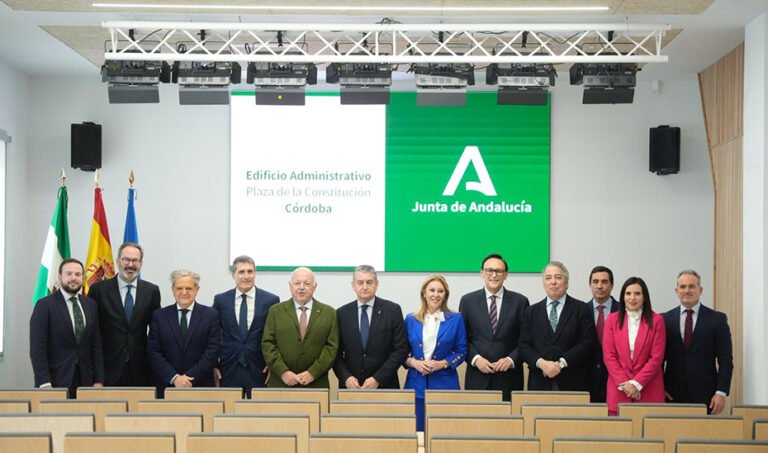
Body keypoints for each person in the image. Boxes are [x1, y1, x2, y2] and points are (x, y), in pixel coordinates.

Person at [30, 258, 105, 397]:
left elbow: (96, 344)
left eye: (77, 274)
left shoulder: (91, 305)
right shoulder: (44, 305)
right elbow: (37, 348)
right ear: (60, 276)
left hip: (86, 380)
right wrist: (44, 382)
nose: (73, 278)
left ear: (82, 277)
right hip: (55, 381)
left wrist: (99, 380)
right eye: (69, 274)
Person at [89, 242, 161, 386]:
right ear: (117, 261)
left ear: (141, 263)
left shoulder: (151, 291)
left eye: (135, 260)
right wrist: (98, 376)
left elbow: (156, 332)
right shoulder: (98, 290)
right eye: (126, 259)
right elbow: (92, 333)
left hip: (141, 368)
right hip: (108, 367)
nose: (130, 264)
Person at [458, 254, 529, 401]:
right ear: (482, 273)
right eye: (489, 270)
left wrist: (511, 359)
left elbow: (526, 339)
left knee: (509, 422)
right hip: (477, 376)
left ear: (506, 275)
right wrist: (476, 359)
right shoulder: (467, 301)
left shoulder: (520, 302)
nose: (494, 275)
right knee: (476, 422)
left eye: (499, 271)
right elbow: (462, 338)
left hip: (509, 377)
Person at [663, 269, 733, 414]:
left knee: (702, 435)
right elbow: (658, 359)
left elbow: (725, 360)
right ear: (676, 290)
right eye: (682, 287)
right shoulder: (664, 320)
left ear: (700, 290)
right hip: (671, 394)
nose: (687, 290)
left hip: (706, 395)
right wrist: (660, 388)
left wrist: (721, 392)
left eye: (692, 286)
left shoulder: (717, 320)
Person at [519, 261, 595, 391]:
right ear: (544, 284)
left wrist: (561, 363)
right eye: (548, 278)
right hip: (539, 381)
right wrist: (542, 363)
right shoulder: (531, 311)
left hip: (573, 381)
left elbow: (587, 343)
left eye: (558, 277)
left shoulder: (581, 309)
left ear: (566, 283)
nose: (553, 282)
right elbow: (524, 345)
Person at [404, 275, 467, 431]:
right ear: (424, 293)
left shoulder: (456, 319)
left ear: (445, 295)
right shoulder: (410, 319)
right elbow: (402, 353)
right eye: (432, 290)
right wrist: (415, 363)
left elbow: (462, 350)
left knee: (444, 432)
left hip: (446, 385)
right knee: (415, 432)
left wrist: (443, 363)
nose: (436, 294)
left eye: (440, 291)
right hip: (415, 384)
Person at [213, 256, 280, 396]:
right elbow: (214, 334)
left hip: (260, 367)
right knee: (228, 413)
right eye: (241, 272)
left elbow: (276, 335)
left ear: (255, 274)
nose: (246, 276)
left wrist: (273, 364)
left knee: (259, 412)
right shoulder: (221, 300)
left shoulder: (271, 300)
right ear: (233, 274)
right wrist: (214, 364)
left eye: (250, 272)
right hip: (228, 367)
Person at [262, 267, 339, 388]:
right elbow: (268, 344)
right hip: (281, 383)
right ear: (290, 286)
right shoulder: (275, 311)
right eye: (297, 283)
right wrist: (283, 372)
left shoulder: (329, 313)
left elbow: (331, 348)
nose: (301, 287)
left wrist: (313, 373)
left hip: (316, 383)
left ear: (315, 286)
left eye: (307, 283)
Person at [334, 265, 409, 390]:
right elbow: (335, 353)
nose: (365, 287)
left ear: (377, 284)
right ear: (353, 285)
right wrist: (346, 377)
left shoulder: (392, 310)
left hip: (385, 386)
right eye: (360, 282)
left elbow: (401, 350)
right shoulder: (341, 313)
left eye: (369, 282)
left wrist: (378, 378)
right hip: (351, 387)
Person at [147, 270, 220, 395]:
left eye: (189, 288)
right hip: (167, 386)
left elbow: (212, 351)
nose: (184, 292)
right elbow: (154, 351)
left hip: (200, 385)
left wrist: (189, 378)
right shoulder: (159, 316)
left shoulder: (211, 315)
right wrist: (175, 378)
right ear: (173, 290)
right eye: (179, 288)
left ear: (197, 289)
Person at [602, 277, 666, 415]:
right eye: (628, 293)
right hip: (619, 390)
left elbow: (656, 358)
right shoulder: (612, 320)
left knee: (650, 434)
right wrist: (626, 385)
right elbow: (609, 356)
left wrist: (636, 384)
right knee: (619, 434)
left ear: (644, 297)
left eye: (637, 293)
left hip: (649, 390)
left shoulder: (657, 320)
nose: (632, 298)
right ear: (623, 297)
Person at [585, 265, 619, 403]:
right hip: (586, 379)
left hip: (616, 379)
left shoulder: (623, 311)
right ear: (590, 285)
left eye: (604, 282)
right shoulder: (580, 311)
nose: (599, 286)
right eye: (595, 282)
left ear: (612, 285)